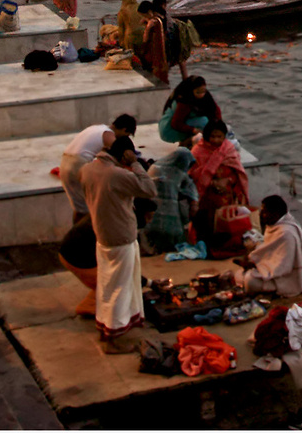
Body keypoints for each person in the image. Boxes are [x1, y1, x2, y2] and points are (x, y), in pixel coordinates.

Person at [78, 137, 157, 348]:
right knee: (119, 290)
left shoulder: (87, 169)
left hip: (102, 235)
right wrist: (135, 164)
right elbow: (150, 189)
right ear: (124, 155)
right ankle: (114, 337)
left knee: (107, 285)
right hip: (120, 237)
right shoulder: (116, 174)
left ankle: (108, 327)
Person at [189, 121, 251, 258]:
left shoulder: (229, 149)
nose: (216, 140)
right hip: (206, 196)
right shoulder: (197, 151)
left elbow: (238, 172)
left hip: (226, 195)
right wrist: (211, 182)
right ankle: (208, 249)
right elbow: (193, 173)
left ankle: (226, 248)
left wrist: (226, 181)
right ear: (206, 136)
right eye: (213, 136)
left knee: (226, 224)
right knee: (207, 224)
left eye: (219, 137)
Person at [232, 195, 302, 297]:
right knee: (238, 275)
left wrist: (256, 265)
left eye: (264, 212)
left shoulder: (286, 233)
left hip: (288, 280)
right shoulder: (276, 226)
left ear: (275, 214)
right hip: (273, 272)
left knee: (250, 281)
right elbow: (271, 254)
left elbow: (282, 268)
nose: (260, 215)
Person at [59, 114, 139, 216]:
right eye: (126, 135)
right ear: (124, 129)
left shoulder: (97, 128)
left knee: (80, 208)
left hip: (65, 162)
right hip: (78, 164)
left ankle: (77, 230)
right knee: (90, 209)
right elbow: (120, 157)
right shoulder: (109, 136)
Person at [143, 146, 198, 255]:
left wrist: (194, 202)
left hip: (158, 208)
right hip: (159, 206)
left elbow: (190, 187)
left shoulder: (175, 170)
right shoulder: (161, 170)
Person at [162, 75, 220, 142]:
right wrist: (194, 130)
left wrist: (218, 126)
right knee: (203, 121)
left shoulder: (207, 97)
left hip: (183, 123)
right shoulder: (185, 101)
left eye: (203, 91)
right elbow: (176, 123)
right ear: (191, 90)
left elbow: (216, 111)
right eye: (198, 92)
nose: (201, 95)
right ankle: (187, 142)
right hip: (169, 131)